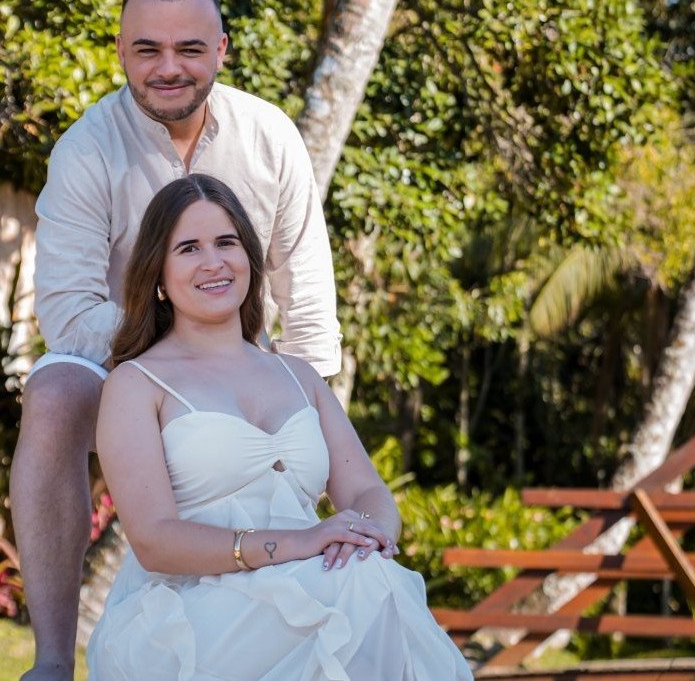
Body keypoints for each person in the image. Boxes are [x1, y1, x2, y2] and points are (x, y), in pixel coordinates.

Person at [12, 0, 342, 680]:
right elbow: (68, 313)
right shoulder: (86, 149)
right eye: (147, 49)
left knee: (311, 410)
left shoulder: (271, 136)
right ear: (121, 51)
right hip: (120, 365)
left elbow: (308, 293)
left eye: (189, 49)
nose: (168, 68)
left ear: (221, 48)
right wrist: (181, 352)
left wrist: (305, 397)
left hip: (249, 365)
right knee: (53, 391)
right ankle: (51, 660)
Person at [86, 174, 471, 680]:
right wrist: (297, 544)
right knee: (364, 591)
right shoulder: (136, 384)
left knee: (369, 578)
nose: (213, 262)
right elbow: (154, 540)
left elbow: (367, 491)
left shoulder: (298, 376)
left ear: (249, 257)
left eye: (227, 243)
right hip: (190, 609)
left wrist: (363, 537)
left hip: (311, 585)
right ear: (157, 271)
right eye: (189, 248)